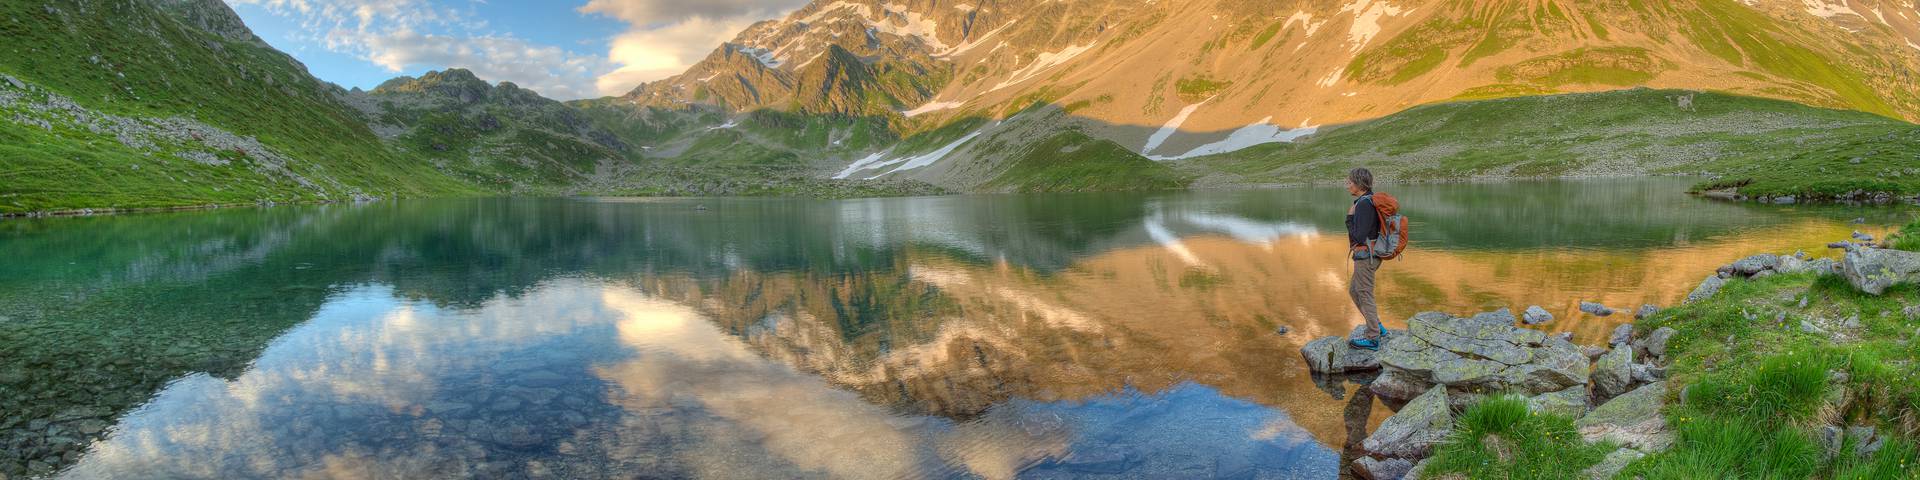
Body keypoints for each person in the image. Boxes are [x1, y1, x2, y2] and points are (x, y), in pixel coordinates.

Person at [1345, 168, 1388, 350]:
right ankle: (1377, 326)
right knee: (1355, 291)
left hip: (1365, 257)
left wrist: (1349, 218)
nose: (1348, 186)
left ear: (1358, 183)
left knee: (1364, 293)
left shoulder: (1363, 204)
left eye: (1350, 182)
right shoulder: (1367, 200)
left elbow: (1359, 236)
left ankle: (1372, 338)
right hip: (1371, 255)